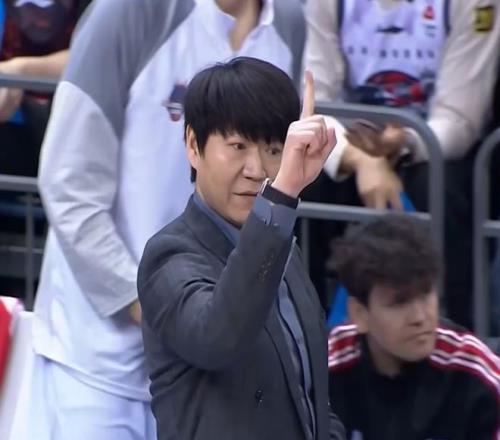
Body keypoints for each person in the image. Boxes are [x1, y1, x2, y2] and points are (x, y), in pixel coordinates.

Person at [30, 0, 306, 439]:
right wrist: (148, 304)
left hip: (216, 365)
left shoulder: (290, 24)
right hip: (100, 363)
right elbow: (68, 181)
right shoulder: (128, 12)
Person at [138, 57, 346, 440]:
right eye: (238, 146)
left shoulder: (285, 250)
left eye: (274, 149)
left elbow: (308, 393)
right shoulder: (168, 255)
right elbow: (217, 338)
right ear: (193, 145)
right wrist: (282, 197)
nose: (257, 169)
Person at [304, 0, 500, 328]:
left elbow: (459, 119)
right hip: (351, 144)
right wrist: (361, 159)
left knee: (441, 188)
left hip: (432, 148)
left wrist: (404, 143)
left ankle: (451, 328)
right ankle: (305, 326)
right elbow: (315, 103)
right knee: (307, 179)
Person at [327, 215, 500, 440]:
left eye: (426, 293)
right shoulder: (325, 369)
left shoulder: (475, 373)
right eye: (400, 302)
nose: (420, 317)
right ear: (360, 314)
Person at [0, 0, 90, 176]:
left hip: (82, 146)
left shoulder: (108, 10)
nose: (40, 15)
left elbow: (103, 56)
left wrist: (21, 70)